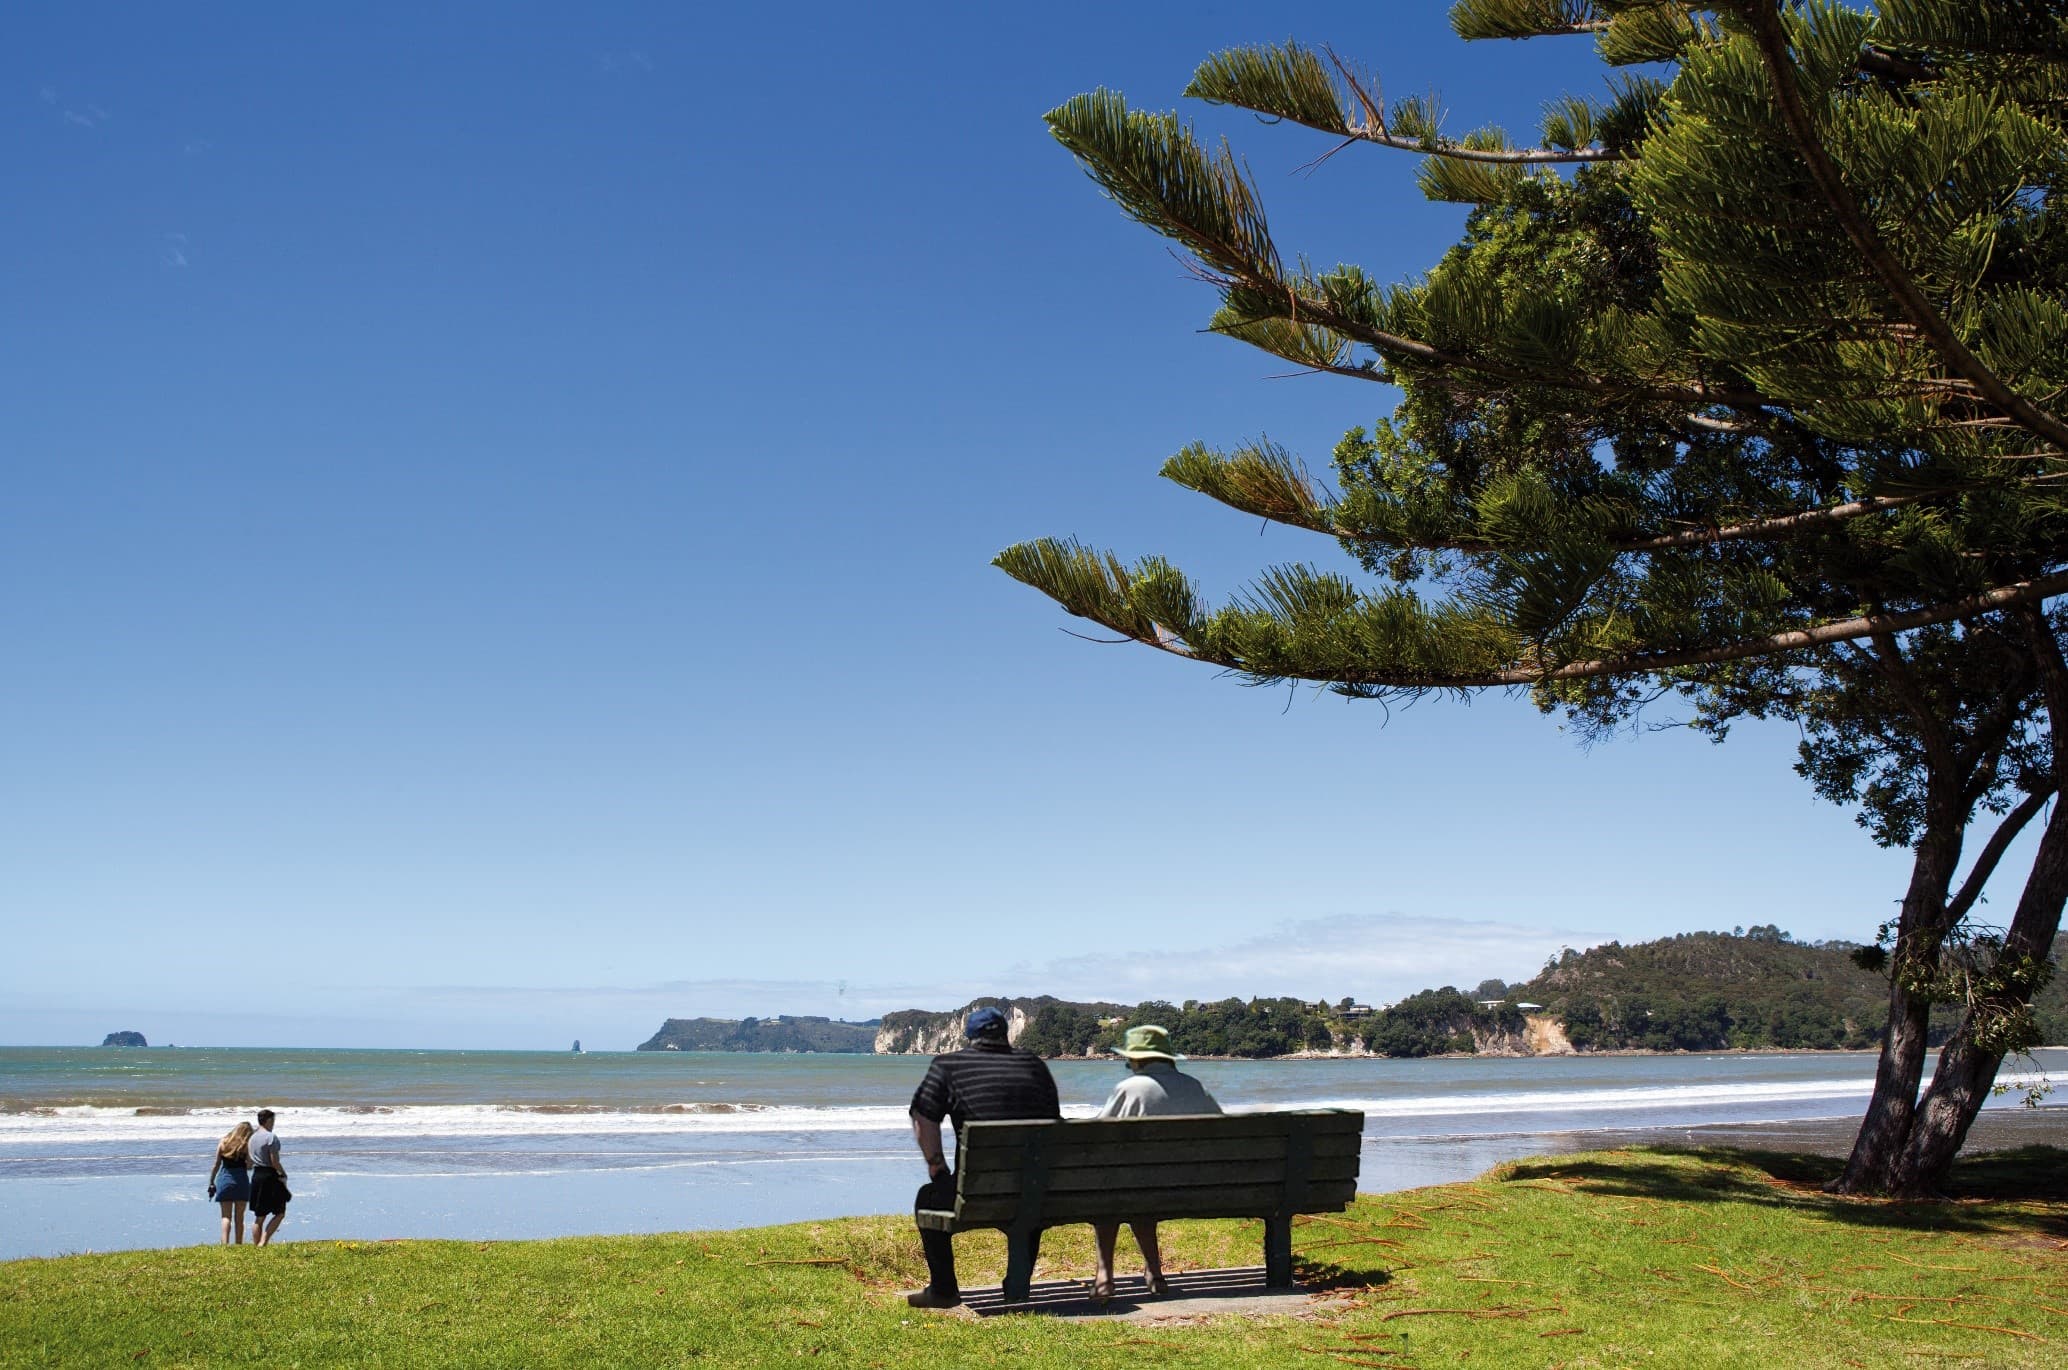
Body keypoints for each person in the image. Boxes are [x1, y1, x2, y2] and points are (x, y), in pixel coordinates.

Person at [905, 1006, 1060, 1308]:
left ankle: (944, 1289)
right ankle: (1017, 1284)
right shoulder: (1033, 1064)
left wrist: (937, 1168)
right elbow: (1052, 1121)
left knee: (928, 1197)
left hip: (976, 1190)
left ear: (970, 1036)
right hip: (1036, 1190)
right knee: (1027, 1197)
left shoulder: (949, 1066)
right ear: (1005, 1033)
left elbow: (923, 1117)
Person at [1091, 1024, 1221, 1302]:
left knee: (1111, 1191)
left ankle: (1105, 1276)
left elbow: (1097, 1137)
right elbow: (1221, 1131)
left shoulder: (1130, 1088)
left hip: (1143, 1188)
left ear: (1135, 1058)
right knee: (1139, 1187)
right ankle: (1154, 1271)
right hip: (1198, 1191)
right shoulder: (1194, 1086)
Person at [247, 1109, 292, 1246]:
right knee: (280, 1211)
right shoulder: (270, 1137)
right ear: (268, 1121)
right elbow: (274, 1161)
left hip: (257, 1175)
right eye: (273, 1121)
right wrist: (283, 1173)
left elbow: (249, 1160)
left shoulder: (252, 1137)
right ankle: (263, 1241)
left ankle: (257, 1244)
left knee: (259, 1216)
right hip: (269, 1175)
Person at [207, 1121, 255, 1244]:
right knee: (239, 1218)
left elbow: (216, 1164)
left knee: (225, 1217)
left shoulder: (224, 1142)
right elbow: (249, 1166)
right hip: (241, 1183)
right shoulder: (247, 1146)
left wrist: (211, 1181)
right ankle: (238, 1243)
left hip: (224, 1180)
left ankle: (225, 1244)